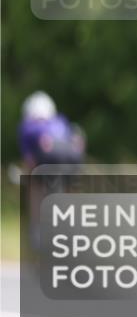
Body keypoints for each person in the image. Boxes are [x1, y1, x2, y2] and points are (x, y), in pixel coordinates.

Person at [17, 91, 86, 251]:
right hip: (73, 158)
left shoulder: (28, 126)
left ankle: (38, 233)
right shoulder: (60, 121)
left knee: (35, 188)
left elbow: (30, 160)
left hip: (48, 157)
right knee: (70, 194)